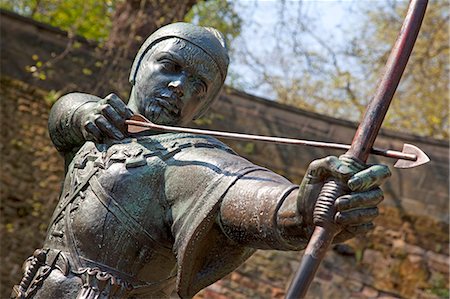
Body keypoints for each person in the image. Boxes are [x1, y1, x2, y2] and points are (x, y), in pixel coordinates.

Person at [13, 23, 390, 299]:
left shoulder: (189, 160)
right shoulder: (96, 126)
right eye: (170, 66)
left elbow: (241, 194)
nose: (180, 87)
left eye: (198, 86)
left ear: (203, 107)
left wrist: (304, 208)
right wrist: (86, 113)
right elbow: (64, 112)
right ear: (138, 66)